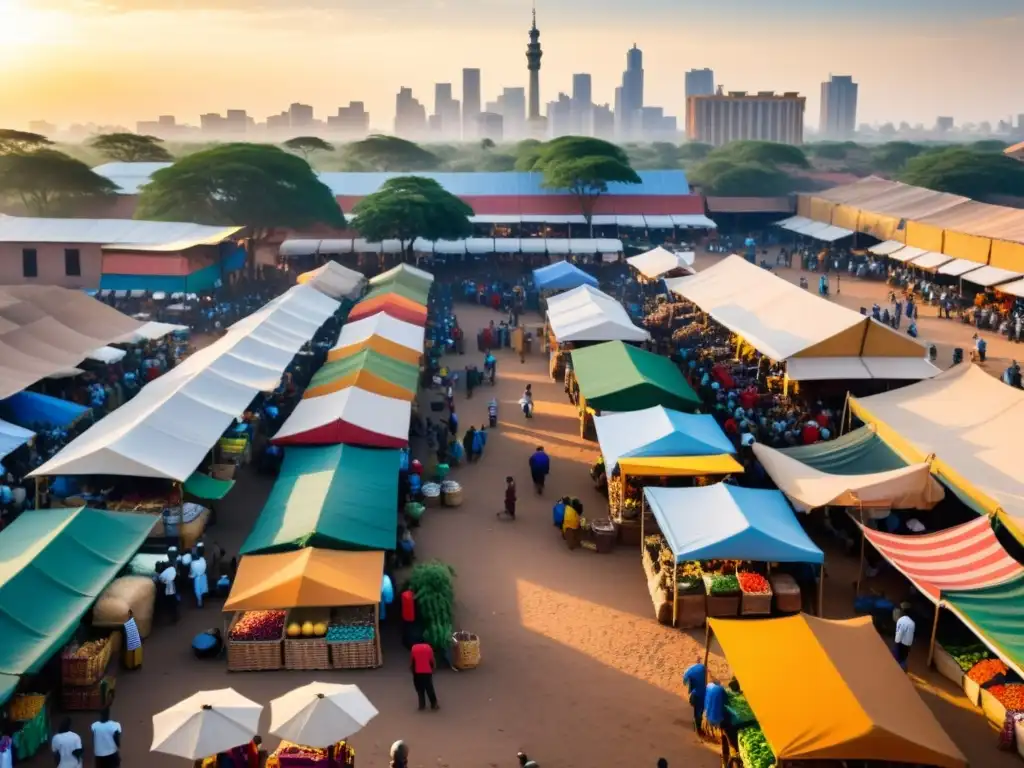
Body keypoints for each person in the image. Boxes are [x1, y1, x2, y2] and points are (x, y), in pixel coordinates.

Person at [410, 641, 439, 710]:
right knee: (429, 688)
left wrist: (412, 670)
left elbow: (412, 660)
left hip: (417, 672)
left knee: (420, 689)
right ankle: (434, 704)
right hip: (427, 671)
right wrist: (434, 668)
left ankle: (421, 705)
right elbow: (432, 659)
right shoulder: (429, 648)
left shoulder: (414, 648)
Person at [683, 659, 707, 733]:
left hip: (696, 696)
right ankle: (698, 727)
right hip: (703, 695)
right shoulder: (702, 669)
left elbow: (686, 683)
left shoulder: (689, 673)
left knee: (696, 712)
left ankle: (697, 726)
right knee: (699, 712)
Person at [894, 602, 915, 671]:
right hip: (908, 644)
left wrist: (896, 642)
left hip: (901, 643)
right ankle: (903, 668)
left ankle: (899, 670)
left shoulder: (901, 620)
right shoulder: (912, 622)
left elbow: (900, 633)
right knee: (904, 657)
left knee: (898, 657)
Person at [190, 543, 209, 608]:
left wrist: (191, 576)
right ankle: (200, 602)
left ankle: (199, 602)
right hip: (202, 576)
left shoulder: (194, 561)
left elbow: (193, 572)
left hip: (197, 577)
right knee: (201, 590)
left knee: (198, 590)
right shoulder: (204, 560)